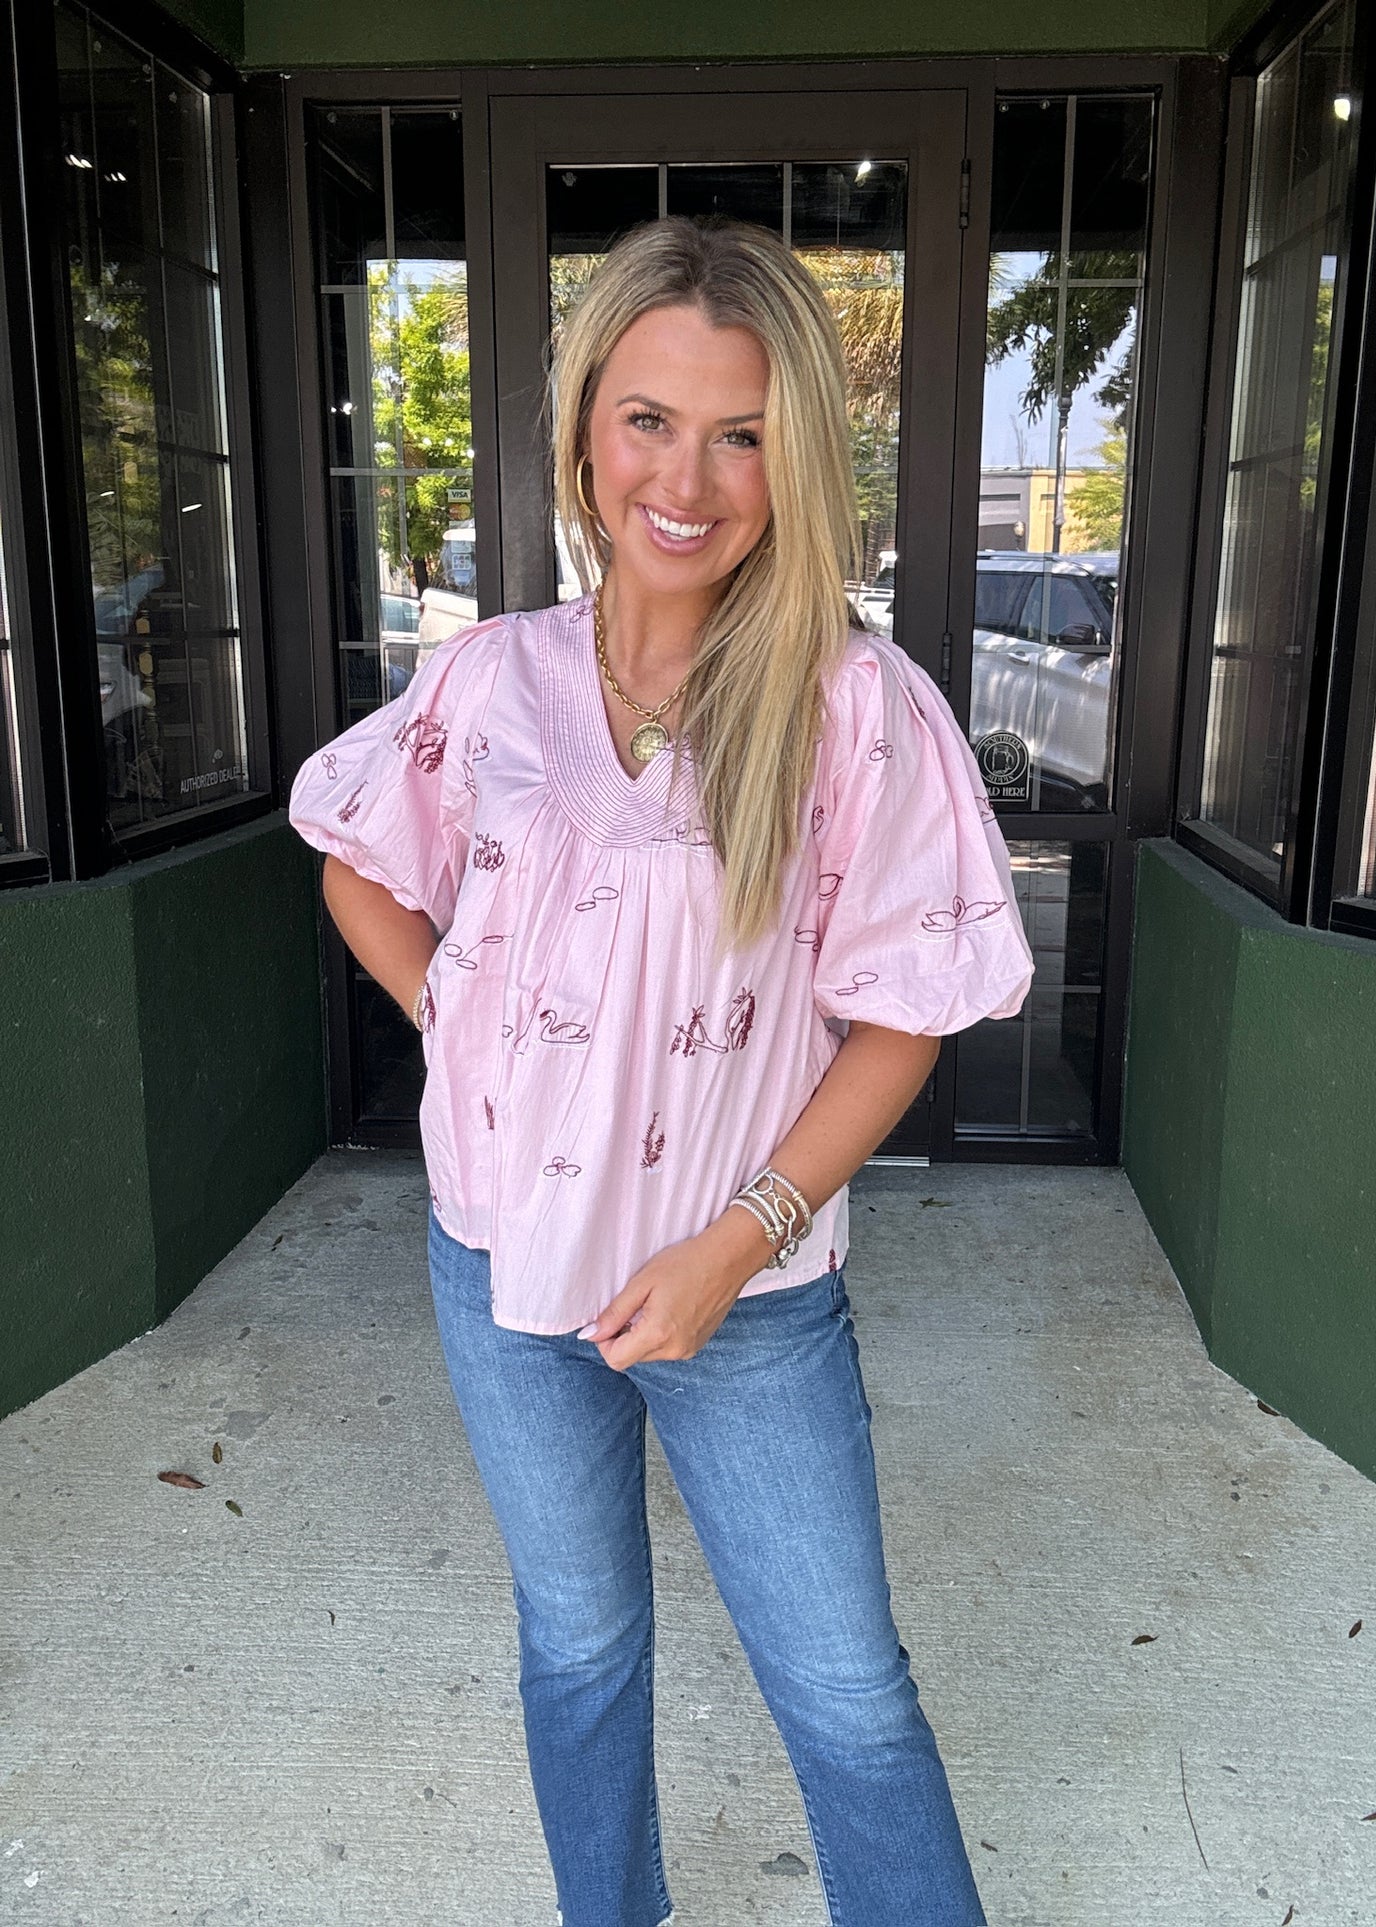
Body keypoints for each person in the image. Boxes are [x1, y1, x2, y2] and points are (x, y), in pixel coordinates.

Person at [288, 214, 1034, 1927]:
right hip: (498, 1272)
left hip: (747, 1293)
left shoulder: (856, 706)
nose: (685, 476)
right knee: (580, 1648)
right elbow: (358, 860)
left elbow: (904, 1014)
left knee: (846, 1697)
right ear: (582, 431)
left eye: (742, 430)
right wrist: (465, 1025)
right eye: (648, 418)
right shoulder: (485, 682)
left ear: (796, 460)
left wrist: (735, 1243)